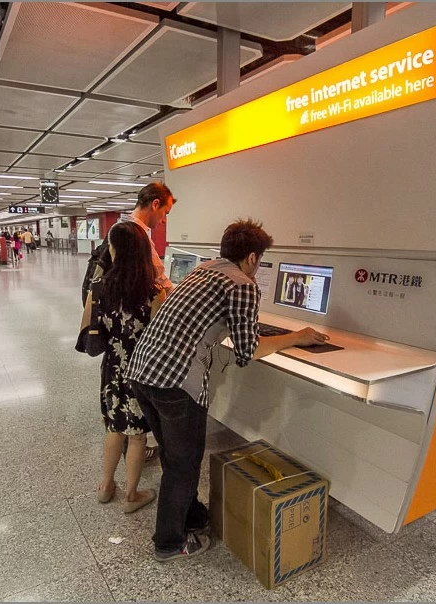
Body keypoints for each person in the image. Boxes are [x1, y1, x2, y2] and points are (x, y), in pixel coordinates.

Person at [126, 219, 328, 562]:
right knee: (184, 464)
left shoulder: (203, 270)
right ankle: (169, 543)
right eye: (260, 260)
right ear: (252, 257)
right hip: (175, 381)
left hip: (143, 370)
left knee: (174, 456)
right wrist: (296, 337)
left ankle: (192, 516)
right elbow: (249, 350)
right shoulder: (242, 285)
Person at [82, 222, 167, 513]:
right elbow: (159, 339)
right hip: (141, 371)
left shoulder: (99, 288)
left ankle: (106, 487)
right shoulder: (155, 292)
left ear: (115, 250)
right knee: (138, 435)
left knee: (114, 428)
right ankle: (131, 495)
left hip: (112, 368)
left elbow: (90, 329)